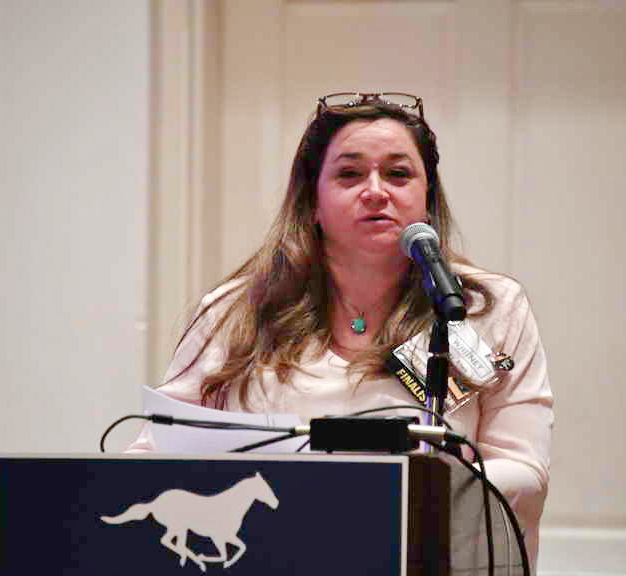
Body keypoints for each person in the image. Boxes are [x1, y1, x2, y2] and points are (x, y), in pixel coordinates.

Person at [128, 92, 553, 567]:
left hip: (422, 555)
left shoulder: (482, 308)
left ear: (428, 199)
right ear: (312, 201)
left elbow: (524, 469)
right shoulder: (237, 310)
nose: (375, 191)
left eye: (398, 174)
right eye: (349, 174)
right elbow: (154, 454)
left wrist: (409, 491)